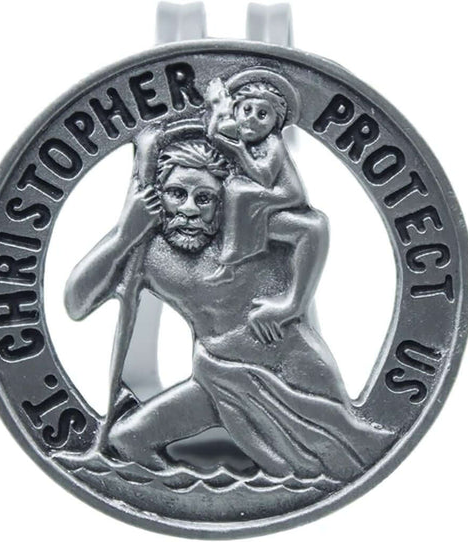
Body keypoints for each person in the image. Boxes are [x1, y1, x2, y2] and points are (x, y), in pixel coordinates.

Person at [65, 126, 392, 483]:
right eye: (176, 194)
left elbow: (313, 228)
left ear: (222, 201)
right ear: (158, 197)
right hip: (216, 375)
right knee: (126, 440)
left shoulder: (242, 230)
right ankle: (186, 498)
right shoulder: (148, 251)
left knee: (323, 466)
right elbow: (76, 303)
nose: (189, 209)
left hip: (286, 371)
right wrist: (123, 234)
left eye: (204, 198)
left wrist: (291, 305)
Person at [204, 74, 311, 294]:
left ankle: (232, 260)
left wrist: (240, 151)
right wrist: (217, 110)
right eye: (247, 110)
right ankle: (233, 260)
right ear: (236, 111)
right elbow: (213, 137)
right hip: (267, 193)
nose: (252, 119)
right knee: (235, 187)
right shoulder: (242, 135)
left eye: (262, 115)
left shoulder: (273, 143)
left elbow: (264, 178)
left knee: (237, 190)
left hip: (286, 194)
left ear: (274, 122)